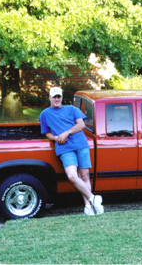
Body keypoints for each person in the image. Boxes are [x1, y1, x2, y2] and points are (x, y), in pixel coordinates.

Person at [39, 86, 104, 216]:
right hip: (64, 148)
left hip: (80, 144)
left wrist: (66, 133)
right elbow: (47, 133)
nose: (57, 99)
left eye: (59, 96)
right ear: (50, 98)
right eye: (54, 97)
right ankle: (93, 198)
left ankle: (88, 207)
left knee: (84, 175)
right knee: (72, 176)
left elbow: (81, 125)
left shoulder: (72, 109)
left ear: (62, 97)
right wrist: (56, 137)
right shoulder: (45, 114)